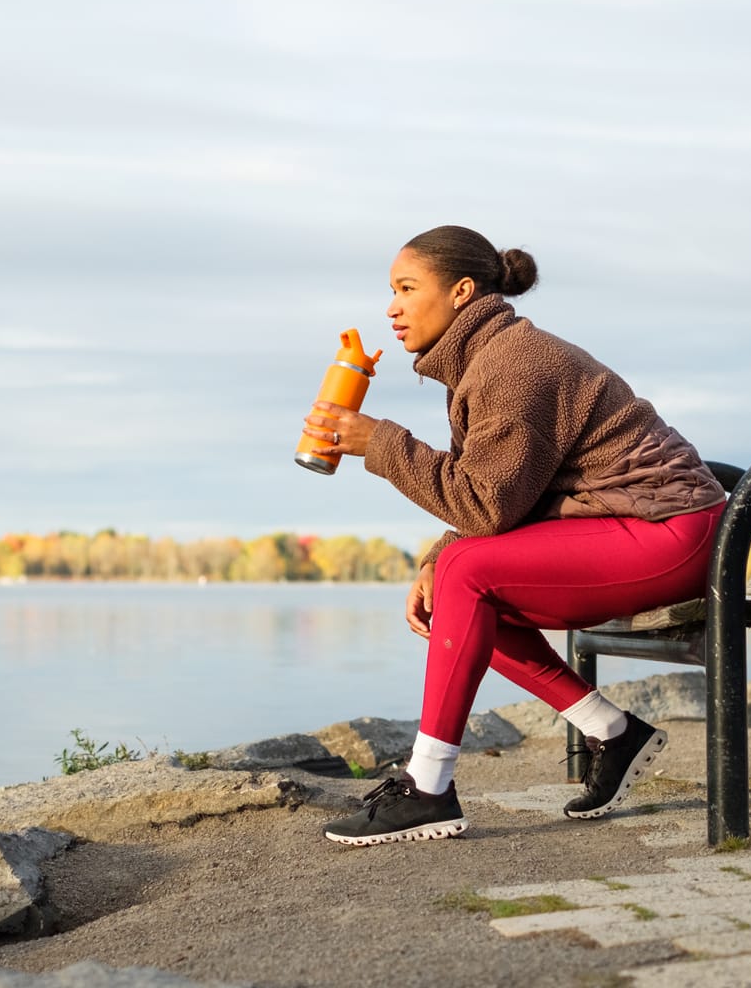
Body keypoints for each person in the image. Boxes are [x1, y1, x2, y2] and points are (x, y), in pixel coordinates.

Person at [302, 224, 727, 847]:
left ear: (461, 292)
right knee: (459, 582)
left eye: (406, 287)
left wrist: (381, 443)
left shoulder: (513, 365)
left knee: (466, 576)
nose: (391, 307)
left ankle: (428, 788)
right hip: (629, 522)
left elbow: (487, 503)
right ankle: (614, 732)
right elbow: (501, 495)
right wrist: (438, 557)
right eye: (390, 290)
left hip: (670, 531)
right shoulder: (487, 359)